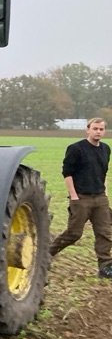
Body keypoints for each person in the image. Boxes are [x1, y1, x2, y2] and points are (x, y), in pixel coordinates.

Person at [49, 117, 112, 278]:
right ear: (88, 129)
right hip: (81, 198)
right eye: (95, 128)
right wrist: (74, 196)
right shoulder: (76, 149)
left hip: (100, 198)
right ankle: (47, 254)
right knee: (74, 233)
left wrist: (104, 194)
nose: (98, 132)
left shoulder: (106, 149)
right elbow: (67, 173)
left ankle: (105, 267)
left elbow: (102, 172)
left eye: (101, 129)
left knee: (105, 233)